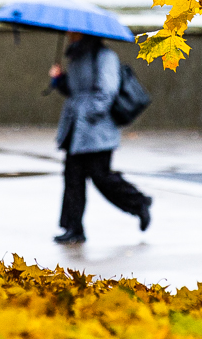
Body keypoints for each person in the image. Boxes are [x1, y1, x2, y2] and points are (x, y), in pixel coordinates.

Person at [49, 32, 152, 244]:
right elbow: (74, 90)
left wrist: (88, 113)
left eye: (73, 32)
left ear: (83, 33)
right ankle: (73, 228)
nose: (69, 34)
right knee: (73, 178)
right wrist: (59, 79)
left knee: (101, 176)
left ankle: (139, 203)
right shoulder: (76, 56)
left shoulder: (105, 56)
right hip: (76, 129)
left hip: (97, 130)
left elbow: (108, 91)